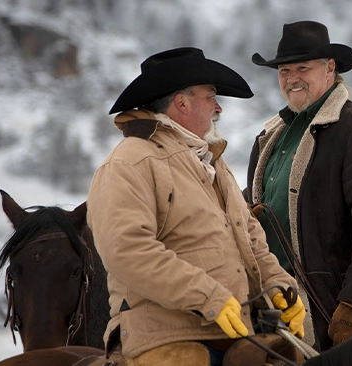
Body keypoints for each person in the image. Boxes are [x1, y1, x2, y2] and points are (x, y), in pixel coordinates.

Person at [87, 47, 306, 366]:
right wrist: (210, 297)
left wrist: (280, 286)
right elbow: (127, 251)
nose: (218, 107)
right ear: (182, 102)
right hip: (166, 338)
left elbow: (250, 237)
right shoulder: (129, 162)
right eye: (211, 97)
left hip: (236, 332)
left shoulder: (213, 163)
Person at [243, 21, 352, 352]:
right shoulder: (269, 138)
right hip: (274, 304)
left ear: (330, 68)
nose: (291, 79)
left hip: (331, 311)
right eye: (284, 70)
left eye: (303, 68)